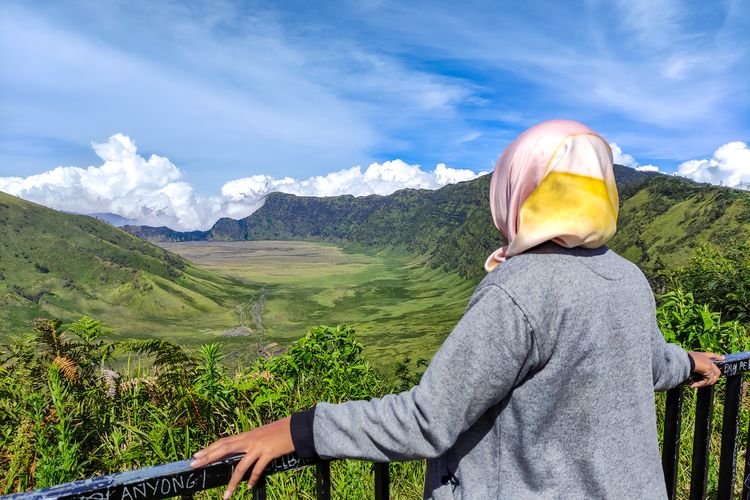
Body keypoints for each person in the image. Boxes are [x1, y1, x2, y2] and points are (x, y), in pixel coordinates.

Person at [191, 119, 723, 499]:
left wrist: (300, 431)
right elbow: (648, 361)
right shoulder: (626, 276)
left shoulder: (522, 289)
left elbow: (429, 421)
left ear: (517, 192)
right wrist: (687, 362)